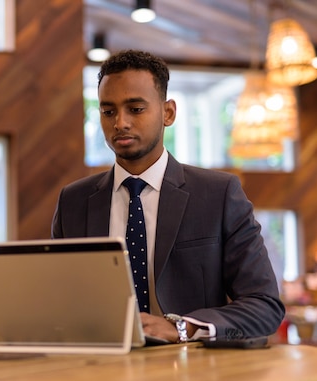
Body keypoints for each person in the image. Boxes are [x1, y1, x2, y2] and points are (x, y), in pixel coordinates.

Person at [51, 50, 285, 343]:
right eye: (108, 111)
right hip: (99, 371)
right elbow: (59, 303)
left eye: (135, 109)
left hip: (192, 373)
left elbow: (265, 307)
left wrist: (183, 328)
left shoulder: (218, 194)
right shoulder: (74, 201)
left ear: (168, 113)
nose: (120, 122)